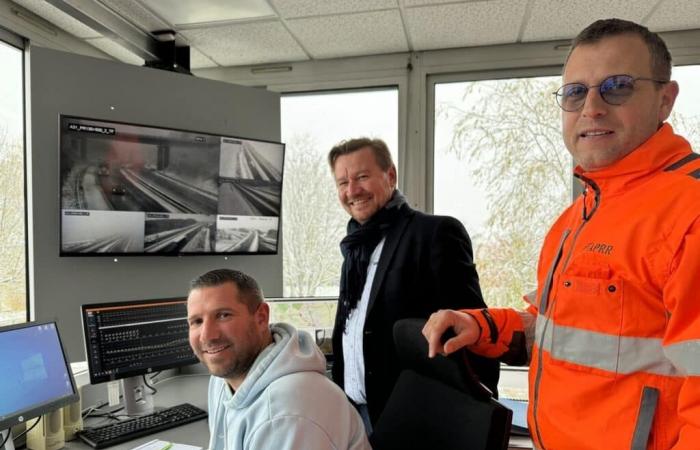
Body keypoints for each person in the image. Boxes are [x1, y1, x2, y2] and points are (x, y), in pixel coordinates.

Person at [423, 18, 700, 450]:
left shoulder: (690, 211)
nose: (592, 107)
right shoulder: (576, 216)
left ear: (665, 99)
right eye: (576, 92)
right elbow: (556, 334)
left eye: (618, 86)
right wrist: (479, 326)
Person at [328, 138, 500, 430]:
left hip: (416, 420)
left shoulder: (435, 234)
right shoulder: (354, 249)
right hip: (357, 417)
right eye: (342, 182)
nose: (352, 191)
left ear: (391, 175)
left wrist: (478, 416)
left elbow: (472, 328)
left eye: (362, 177)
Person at [186, 269, 370, 450]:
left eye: (223, 315)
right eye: (197, 321)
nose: (207, 336)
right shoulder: (221, 382)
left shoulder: (288, 412)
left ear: (261, 317)